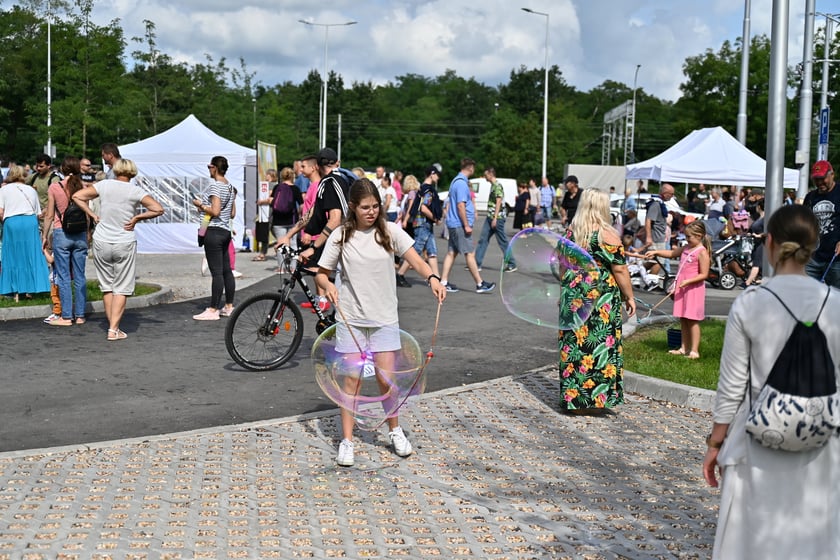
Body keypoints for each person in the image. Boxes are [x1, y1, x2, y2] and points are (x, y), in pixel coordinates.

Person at [702, 204, 840, 559]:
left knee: (752, 542)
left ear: (769, 242)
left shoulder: (751, 303)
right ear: (815, 245)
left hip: (759, 444)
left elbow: (732, 386)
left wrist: (715, 443)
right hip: (822, 446)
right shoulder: (836, 305)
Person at [315, 178, 447, 467]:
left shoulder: (389, 231)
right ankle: (347, 441)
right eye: (365, 207)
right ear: (353, 207)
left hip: (384, 319)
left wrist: (433, 278)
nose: (372, 212)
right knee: (351, 382)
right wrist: (329, 285)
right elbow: (321, 273)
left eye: (375, 206)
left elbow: (416, 260)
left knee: (387, 381)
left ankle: (395, 431)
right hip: (351, 320)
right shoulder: (341, 236)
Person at [559, 189, 635, 412]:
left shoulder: (571, 232)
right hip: (600, 295)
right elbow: (619, 269)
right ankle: (596, 399)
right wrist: (629, 296)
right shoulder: (607, 234)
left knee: (574, 344)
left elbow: (562, 264)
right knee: (600, 342)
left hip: (574, 290)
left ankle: (574, 400)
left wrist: (564, 290)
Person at [72, 159, 164, 340]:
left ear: (116, 170)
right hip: (124, 240)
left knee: (107, 286)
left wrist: (92, 215)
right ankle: (113, 329)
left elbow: (77, 196)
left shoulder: (104, 185)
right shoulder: (135, 191)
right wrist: (137, 218)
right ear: (132, 172)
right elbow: (158, 209)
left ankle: (112, 326)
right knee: (121, 287)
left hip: (101, 239)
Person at [646, 220, 711, 359]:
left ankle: (694, 350)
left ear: (699, 236)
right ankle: (683, 348)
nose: (686, 239)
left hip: (693, 289)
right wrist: (656, 252)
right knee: (683, 318)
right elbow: (671, 253)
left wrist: (688, 281)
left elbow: (704, 274)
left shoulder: (702, 252)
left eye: (689, 236)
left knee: (692, 319)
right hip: (682, 287)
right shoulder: (686, 248)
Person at [42, 156, 94, 326]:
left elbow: (49, 215)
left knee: (64, 276)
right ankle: (80, 315)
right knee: (80, 275)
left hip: (61, 233)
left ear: (62, 170)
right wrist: (88, 233)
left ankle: (66, 316)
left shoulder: (54, 187)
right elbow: (87, 213)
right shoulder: (83, 187)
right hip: (80, 234)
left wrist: (44, 235)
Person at [438, 158, 495, 294]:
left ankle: (443, 282)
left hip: (453, 223)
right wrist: (466, 225)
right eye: (473, 167)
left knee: (452, 253)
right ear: (470, 168)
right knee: (469, 253)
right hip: (459, 224)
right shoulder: (462, 184)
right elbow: (460, 205)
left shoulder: (455, 181)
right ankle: (480, 283)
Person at [191, 156, 236, 321]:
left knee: (216, 272)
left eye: (209, 166)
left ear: (215, 168)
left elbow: (215, 211)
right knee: (226, 270)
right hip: (225, 231)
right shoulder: (230, 187)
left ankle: (213, 309)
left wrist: (201, 205)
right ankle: (229, 306)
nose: (208, 169)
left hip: (213, 231)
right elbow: (232, 213)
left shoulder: (215, 186)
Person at [0, 165, 51, 300]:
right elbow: (38, 213)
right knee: (31, 254)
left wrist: (6, 222)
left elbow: (0, 212)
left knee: (13, 255)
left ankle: (14, 289)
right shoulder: (31, 190)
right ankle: (31, 289)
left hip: (12, 222)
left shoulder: (4, 190)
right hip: (30, 221)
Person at [396, 168, 441, 287]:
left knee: (432, 251)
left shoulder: (422, 188)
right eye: (437, 174)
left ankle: (437, 278)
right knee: (415, 251)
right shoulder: (428, 190)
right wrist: (435, 218)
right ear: (432, 174)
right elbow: (423, 208)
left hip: (423, 223)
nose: (438, 177)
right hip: (423, 223)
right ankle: (400, 274)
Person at [803, 160, 840, 288]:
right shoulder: (810, 197)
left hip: (836, 258)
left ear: (832, 175)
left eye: (822, 178)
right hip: (813, 256)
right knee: (806, 291)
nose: (819, 183)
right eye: (816, 179)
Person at [475, 167, 516, 272]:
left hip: (497, 218)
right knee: (483, 239)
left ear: (490, 174)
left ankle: (511, 263)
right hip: (490, 217)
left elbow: (499, 202)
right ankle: (476, 263)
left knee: (502, 241)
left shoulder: (497, 186)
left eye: (486, 175)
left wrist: (495, 218)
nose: (485, 177)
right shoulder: (493, 185)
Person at [268, 167, 302, 271]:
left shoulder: (277, 187)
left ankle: (281, 268)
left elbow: (271, 201)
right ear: (292, 176)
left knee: (280, 244)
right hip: (292, 220)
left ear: (281, 176)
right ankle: (293, 267)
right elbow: (301, 205)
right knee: (293, 244)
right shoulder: (295, 189)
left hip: (278, 221)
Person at [252, 168, 277, 261]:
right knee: (272, 231)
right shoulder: (272, 185)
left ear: (270, 175)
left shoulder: (271, 185)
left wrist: (261, 202)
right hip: (268, 212)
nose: (266, 176)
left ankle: (263, 253)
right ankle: (284, 243)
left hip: (268, 212)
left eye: (267, 174)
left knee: (265, 232)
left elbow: (269, 198)